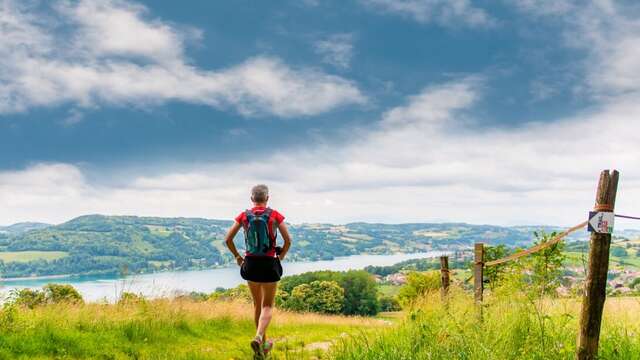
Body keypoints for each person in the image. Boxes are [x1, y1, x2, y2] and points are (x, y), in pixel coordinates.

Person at [224, 184, 291, 358]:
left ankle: (261, 350)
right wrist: (280, 257)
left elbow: (228, 239)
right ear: (267, 198)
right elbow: (288, 241)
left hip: (251, 263)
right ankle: (260, 337)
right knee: (267, 306)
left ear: (252, 199)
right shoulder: (275, 215)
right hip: (269, 264)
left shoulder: (244, 216)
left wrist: (238, 257)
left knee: (257, 305)